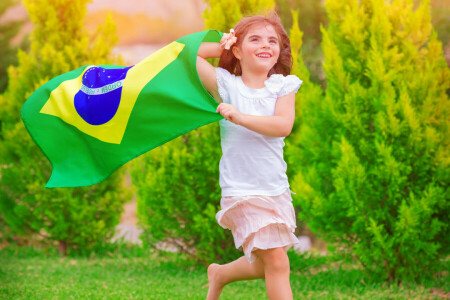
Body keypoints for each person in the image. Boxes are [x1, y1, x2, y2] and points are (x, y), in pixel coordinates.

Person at [196, 11, 303, 300]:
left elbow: (282, 126)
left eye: (272, 40)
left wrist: (240, 118)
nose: (265, 44)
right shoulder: (226, 85)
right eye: (254, 39)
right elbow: (187, 57)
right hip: (242, 190)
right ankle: (219, 275)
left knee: (269, 263)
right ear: (238, 50)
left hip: (274, 188)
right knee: (278, 262)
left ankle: (219, 274)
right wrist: (223, 43)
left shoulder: (283, 86)